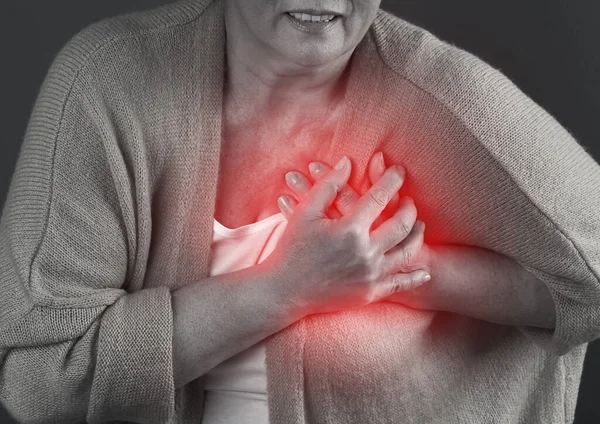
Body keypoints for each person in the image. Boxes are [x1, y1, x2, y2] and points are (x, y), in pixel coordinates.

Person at [1, 0, 599, 423]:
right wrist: (285, 289)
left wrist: (405, 269)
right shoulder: (111, 83)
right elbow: (36, 378)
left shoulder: (440, 97)